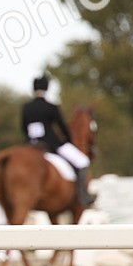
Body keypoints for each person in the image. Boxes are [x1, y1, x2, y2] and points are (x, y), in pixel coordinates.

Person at [21, 73, 96, 205]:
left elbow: (23, 127)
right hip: (51, 144)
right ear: (47, 88)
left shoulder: (27, 107)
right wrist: (68, 139)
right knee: (82, 161)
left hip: (31, 144)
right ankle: (83, 195)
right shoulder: (51, 107)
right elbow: (62, 127)